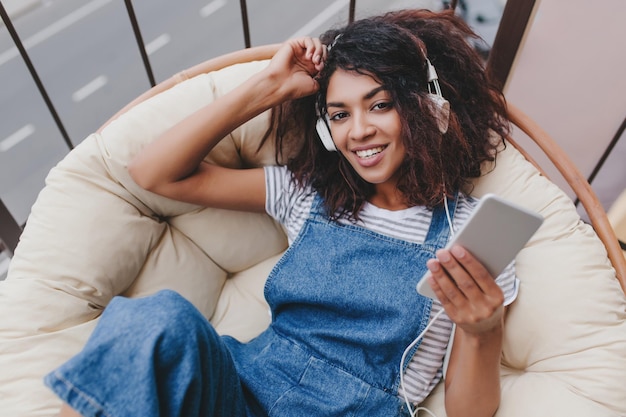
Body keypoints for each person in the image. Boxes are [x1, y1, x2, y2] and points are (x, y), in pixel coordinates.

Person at [44, 8, 517, 417]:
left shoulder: (472, 238)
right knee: (158, 316)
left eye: (380, 105)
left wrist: (482, 329)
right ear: (327, 131)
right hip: (240, 393)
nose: (359, 131)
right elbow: (153, 173)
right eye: (339, 114)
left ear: (426, 106)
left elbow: (468, 410)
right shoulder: (308, 193)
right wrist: (266, 87)